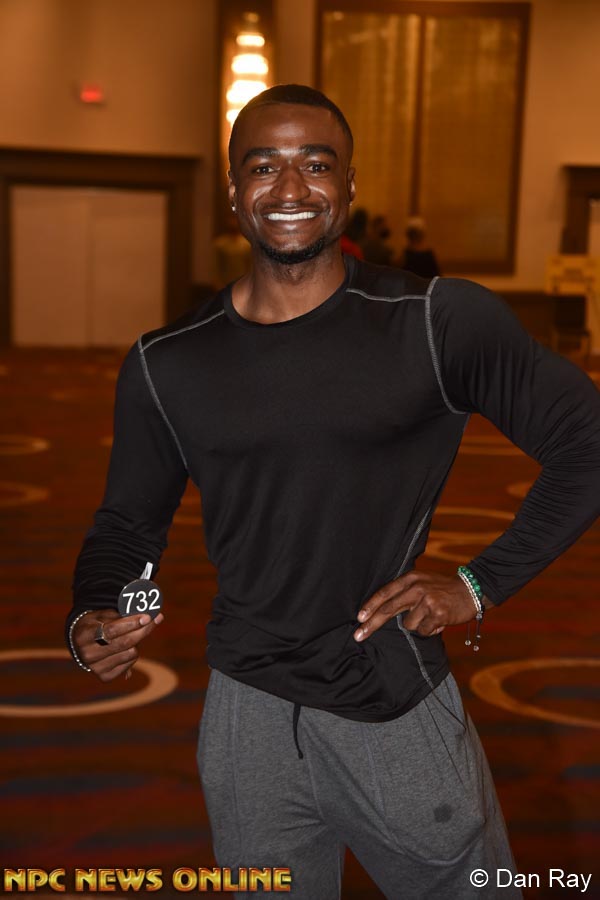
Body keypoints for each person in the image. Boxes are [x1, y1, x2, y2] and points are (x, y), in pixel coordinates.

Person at [66, 84, 600, 899]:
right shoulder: (166, 362)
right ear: (234, 192)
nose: (290, 188)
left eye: (316, 165)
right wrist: (94, 610)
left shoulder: (433, 321)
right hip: (245, 722)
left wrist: (477, 585)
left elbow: (586, 444)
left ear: (348, 186)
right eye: (264, 167)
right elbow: (127, 524)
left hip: (391, 708)